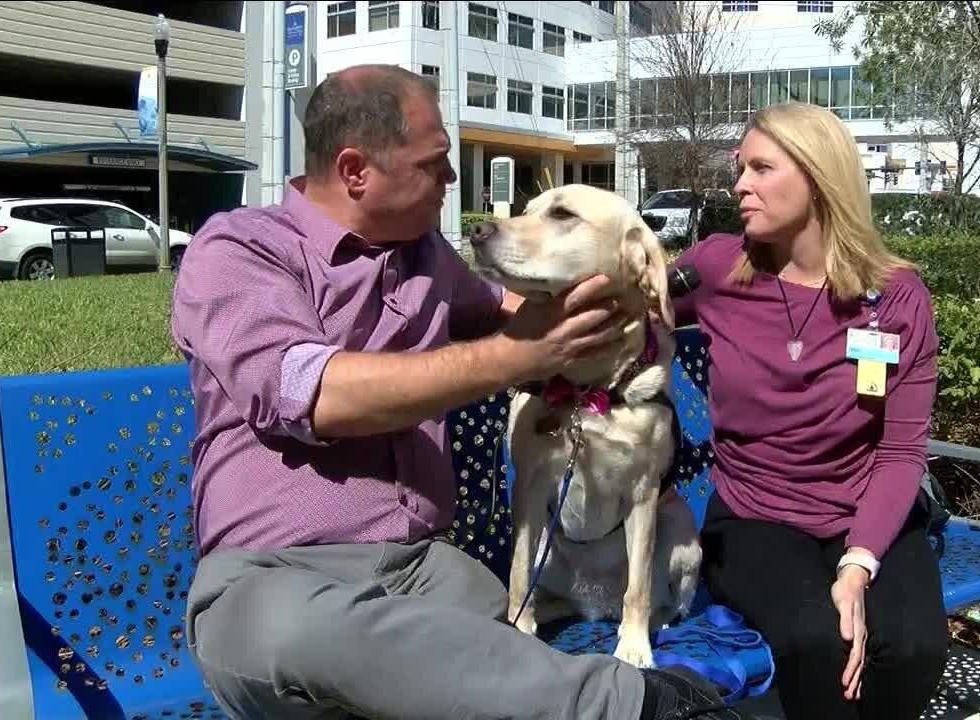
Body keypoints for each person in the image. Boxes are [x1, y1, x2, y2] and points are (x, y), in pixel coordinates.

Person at [170, 64, 752, 720]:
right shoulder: (238, 249)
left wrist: (625, 308)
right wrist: (513, 357)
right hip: (275, 578)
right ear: (356, 170)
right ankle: (641, 705)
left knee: (473, 640)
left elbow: (513, 315)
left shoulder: (427, 259)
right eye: (436, 162)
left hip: (424, 571)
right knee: (299, 636)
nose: (452, 181)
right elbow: (313, 391)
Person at [670, 102, 950, 720]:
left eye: (761, 169)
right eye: (741, 168)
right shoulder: (715, 267)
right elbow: (633, 311)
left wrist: (858, 567)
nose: (739, 184)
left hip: (864, 511)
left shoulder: (897, 298)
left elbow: (902, 451)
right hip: (754, 516)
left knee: (913, 646)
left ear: (819, 176)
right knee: (816, 639)